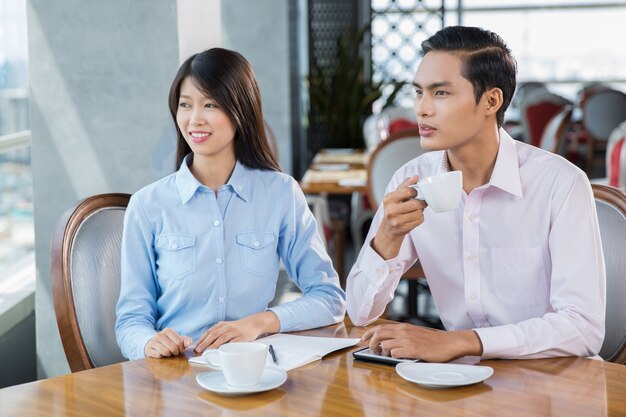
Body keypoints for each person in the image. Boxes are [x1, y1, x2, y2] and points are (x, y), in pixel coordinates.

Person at [346, 26, 605, 362]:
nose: (421, 109)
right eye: (418, 92)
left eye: (440, 94)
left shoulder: (560, 184)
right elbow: (360, 313)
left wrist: (465, 342)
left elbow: (584, 329)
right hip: (457, 382)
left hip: (551, 382)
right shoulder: (412, 179)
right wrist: (387, 237)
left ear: (491, 101)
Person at [116, 48, 346, 361]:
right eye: (185, 105)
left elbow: (329, 298)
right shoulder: (148, 205)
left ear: (241, 109)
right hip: (176, 376)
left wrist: (258, 323)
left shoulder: (280, 193)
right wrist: (148, 343)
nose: (195, 119)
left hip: (253, 370)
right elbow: (131, 320)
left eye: (210, 104)